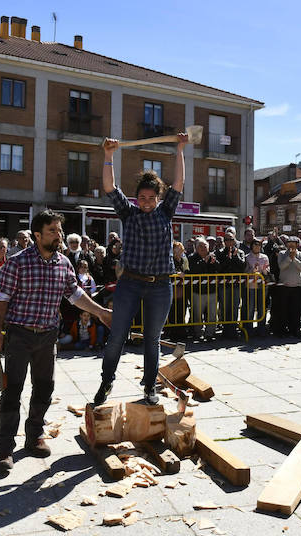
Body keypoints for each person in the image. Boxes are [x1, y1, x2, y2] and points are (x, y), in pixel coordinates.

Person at [0, 210, 112, 471]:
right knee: (12, 390)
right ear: (37, 235)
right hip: (19, 335)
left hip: (47, 336)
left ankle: (34, 436)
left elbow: (75, 294)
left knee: (45, 387)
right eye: (53, 231)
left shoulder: (64, 263)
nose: (59, 236)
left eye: (60, 231)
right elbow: (1, 300)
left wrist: (100, 312)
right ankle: (4, 448)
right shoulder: (17, 262)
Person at [93, 131, 187, 406]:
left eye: (150, 197)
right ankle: (107, 381)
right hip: (130, 283)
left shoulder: (166, 212)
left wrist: (180, 148)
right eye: (141, 198)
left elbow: (179, 181)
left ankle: (149, 388)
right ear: (136, 199)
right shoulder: (128, 213)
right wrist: (108, 156)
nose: (145, 201)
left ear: (158, 197)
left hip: (160, 285)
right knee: (117, 335)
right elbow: (110, 187)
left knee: (152, 339)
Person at [215, 232, 246, 339]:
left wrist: (235, 256)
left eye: (231, 239)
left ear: (234, 240)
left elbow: (242, 267)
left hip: (236, 285)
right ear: (224, 241)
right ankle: (225, 329)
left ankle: (232, 329)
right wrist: (227, 258)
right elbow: (218, 268)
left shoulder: (240, 252)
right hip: (224, 285)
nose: (229, 242)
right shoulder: (219, 252)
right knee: (224, 307)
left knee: (234, 306)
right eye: (227, 240)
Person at [188, 239, 220, 339]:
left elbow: (219, 268)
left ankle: (210, 333)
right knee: (197, 314)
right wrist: (203, 261)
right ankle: (198, 333)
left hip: (212, 290)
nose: (203, 248)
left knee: (212, 314)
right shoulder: (192, 257)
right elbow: (193, 270)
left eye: (205, 246)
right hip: (198, 291)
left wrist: (214, 262)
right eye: (201, 246)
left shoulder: (213, 256)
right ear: (196, 248)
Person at [275, 237, 301, 336]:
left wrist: (294, 259)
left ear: (297, 245)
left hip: (296, 286)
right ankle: (282, 330)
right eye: (289, 244)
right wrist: (289, 258)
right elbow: (281, 266)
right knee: (283, 309)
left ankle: (295, 329)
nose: (291, 246)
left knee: (295, 310)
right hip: (284, 286)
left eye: (293, 244)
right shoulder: (282, 254)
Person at [244, 238, 270, 337]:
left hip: (262, 286)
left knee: (262, 308)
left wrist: (264, 270)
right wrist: (252, 271)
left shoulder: (265, 257)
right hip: (251, 286)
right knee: (250, 308)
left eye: (259, 245)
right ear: (251, 246)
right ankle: (249, 329)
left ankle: (261, 328)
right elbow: (244, 271)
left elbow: (267, 271)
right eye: (255, 245)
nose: (257, 247)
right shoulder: (247, 257)